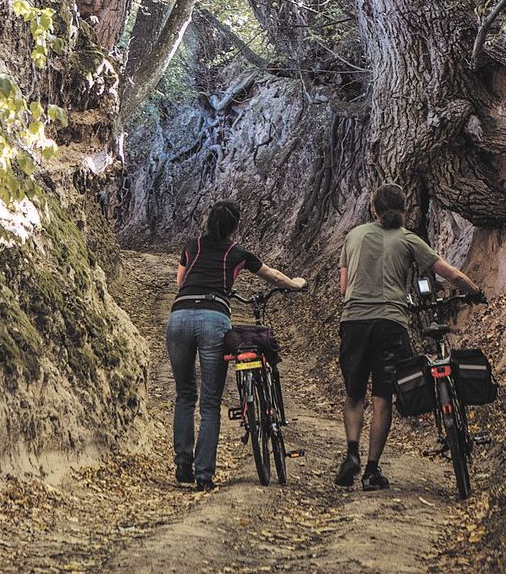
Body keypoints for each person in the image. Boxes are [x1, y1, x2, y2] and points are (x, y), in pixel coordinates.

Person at [335, 183, 485, 490]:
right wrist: (477, 292)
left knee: (354, 394)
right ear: (404, 211)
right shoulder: (408, 239)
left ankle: (352, 452)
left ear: (373, 210)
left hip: (355, 322)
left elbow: (343, 288)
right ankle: (372, 471)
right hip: (391, 323)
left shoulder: (353, 237)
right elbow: (450, 274)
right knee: (382, 398)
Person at [168, 200, 306, 491]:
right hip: (213, 318)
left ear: (207, 222)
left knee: (184, 394)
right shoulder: (237, 252)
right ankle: (203, 475)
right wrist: (295, 284)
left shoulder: (192, 246)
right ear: (234, 227)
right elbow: (272, 275)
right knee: (209, 402)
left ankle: (183, 463)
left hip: (179, 317)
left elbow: (181, 282)